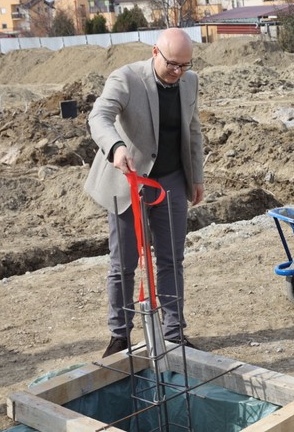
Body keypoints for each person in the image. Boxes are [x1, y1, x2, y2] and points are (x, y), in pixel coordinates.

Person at [85, 27, 204, 358]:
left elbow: (193, 130)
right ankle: (120, 335)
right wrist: (116, 147)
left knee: (171, 259)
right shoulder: (126, 79)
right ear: (155, 53)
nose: (178, 72)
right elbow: (99, 117)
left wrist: (196, 177)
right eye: (172, 65)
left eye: (185, 65)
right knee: (123, 262)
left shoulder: (189, 82)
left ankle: (173, 333)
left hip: (171, 182)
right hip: (128, 180)